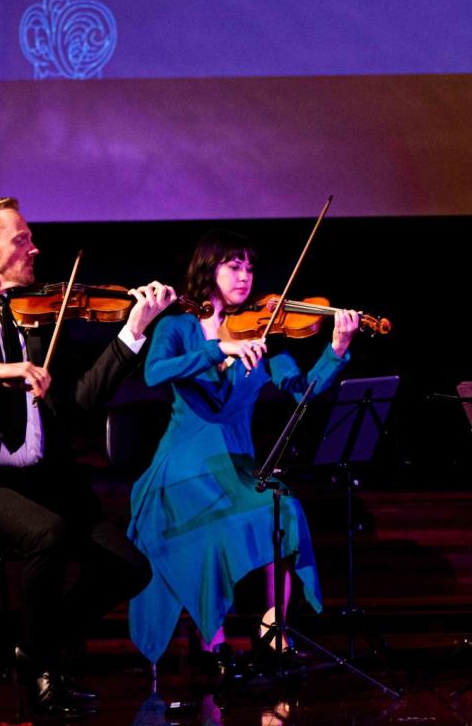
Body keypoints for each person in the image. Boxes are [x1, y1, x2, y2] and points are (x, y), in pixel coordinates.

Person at [0, 197, 174, 718]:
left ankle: (34, 646)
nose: (35, 246)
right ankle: (46, 672)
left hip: (43, 479)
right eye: (21, 238)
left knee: (129, 567)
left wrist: (134, 329)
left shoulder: (40, 314)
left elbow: (81, 400)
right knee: (49, 534)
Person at [125, 228, 359, 676]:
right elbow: (155, 373)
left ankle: (275, 630)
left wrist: (336, 349)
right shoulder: (178, 326)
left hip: (237, 463)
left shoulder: (265, 330)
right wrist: (219, 350)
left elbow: (301, 392)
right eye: (234, 266)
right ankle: (214, 643)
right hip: (182, 467)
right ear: (208, 269)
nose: (245, 276)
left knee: (282, 509)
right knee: (210, 530)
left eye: (250, 267)